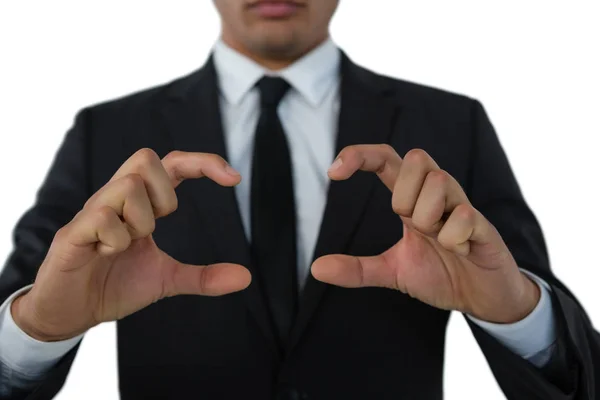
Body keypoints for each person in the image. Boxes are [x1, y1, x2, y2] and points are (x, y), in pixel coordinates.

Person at [0, 0, 598, 398]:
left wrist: (516, 312)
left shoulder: (451, 122)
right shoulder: (106, 131)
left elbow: (579, 371)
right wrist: (40, 326)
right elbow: (19, 312)